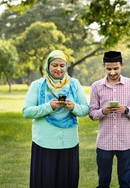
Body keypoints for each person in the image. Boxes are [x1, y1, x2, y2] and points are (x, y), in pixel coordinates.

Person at [22, 50, 89, 188]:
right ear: (48, 66)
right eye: (54, 65)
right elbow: (26, 112)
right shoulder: (37, 85)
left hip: (69, 142)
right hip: (44, 142)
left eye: (62, 65)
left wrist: (73, 107)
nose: (58, 69)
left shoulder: (74, 84)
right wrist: (49, 107)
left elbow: (86, 109)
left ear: (66, 66)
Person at [89, 51, 130, 188]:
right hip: (105, 142)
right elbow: (92, 113)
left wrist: (126, 110)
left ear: (122, 65)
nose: (112, 72)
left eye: (116, 68)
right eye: (109, 69)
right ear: (103, 66)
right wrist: (103, 111)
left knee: (125, 182)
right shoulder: (96, 86)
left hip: (126, 141)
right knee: (103, 181)